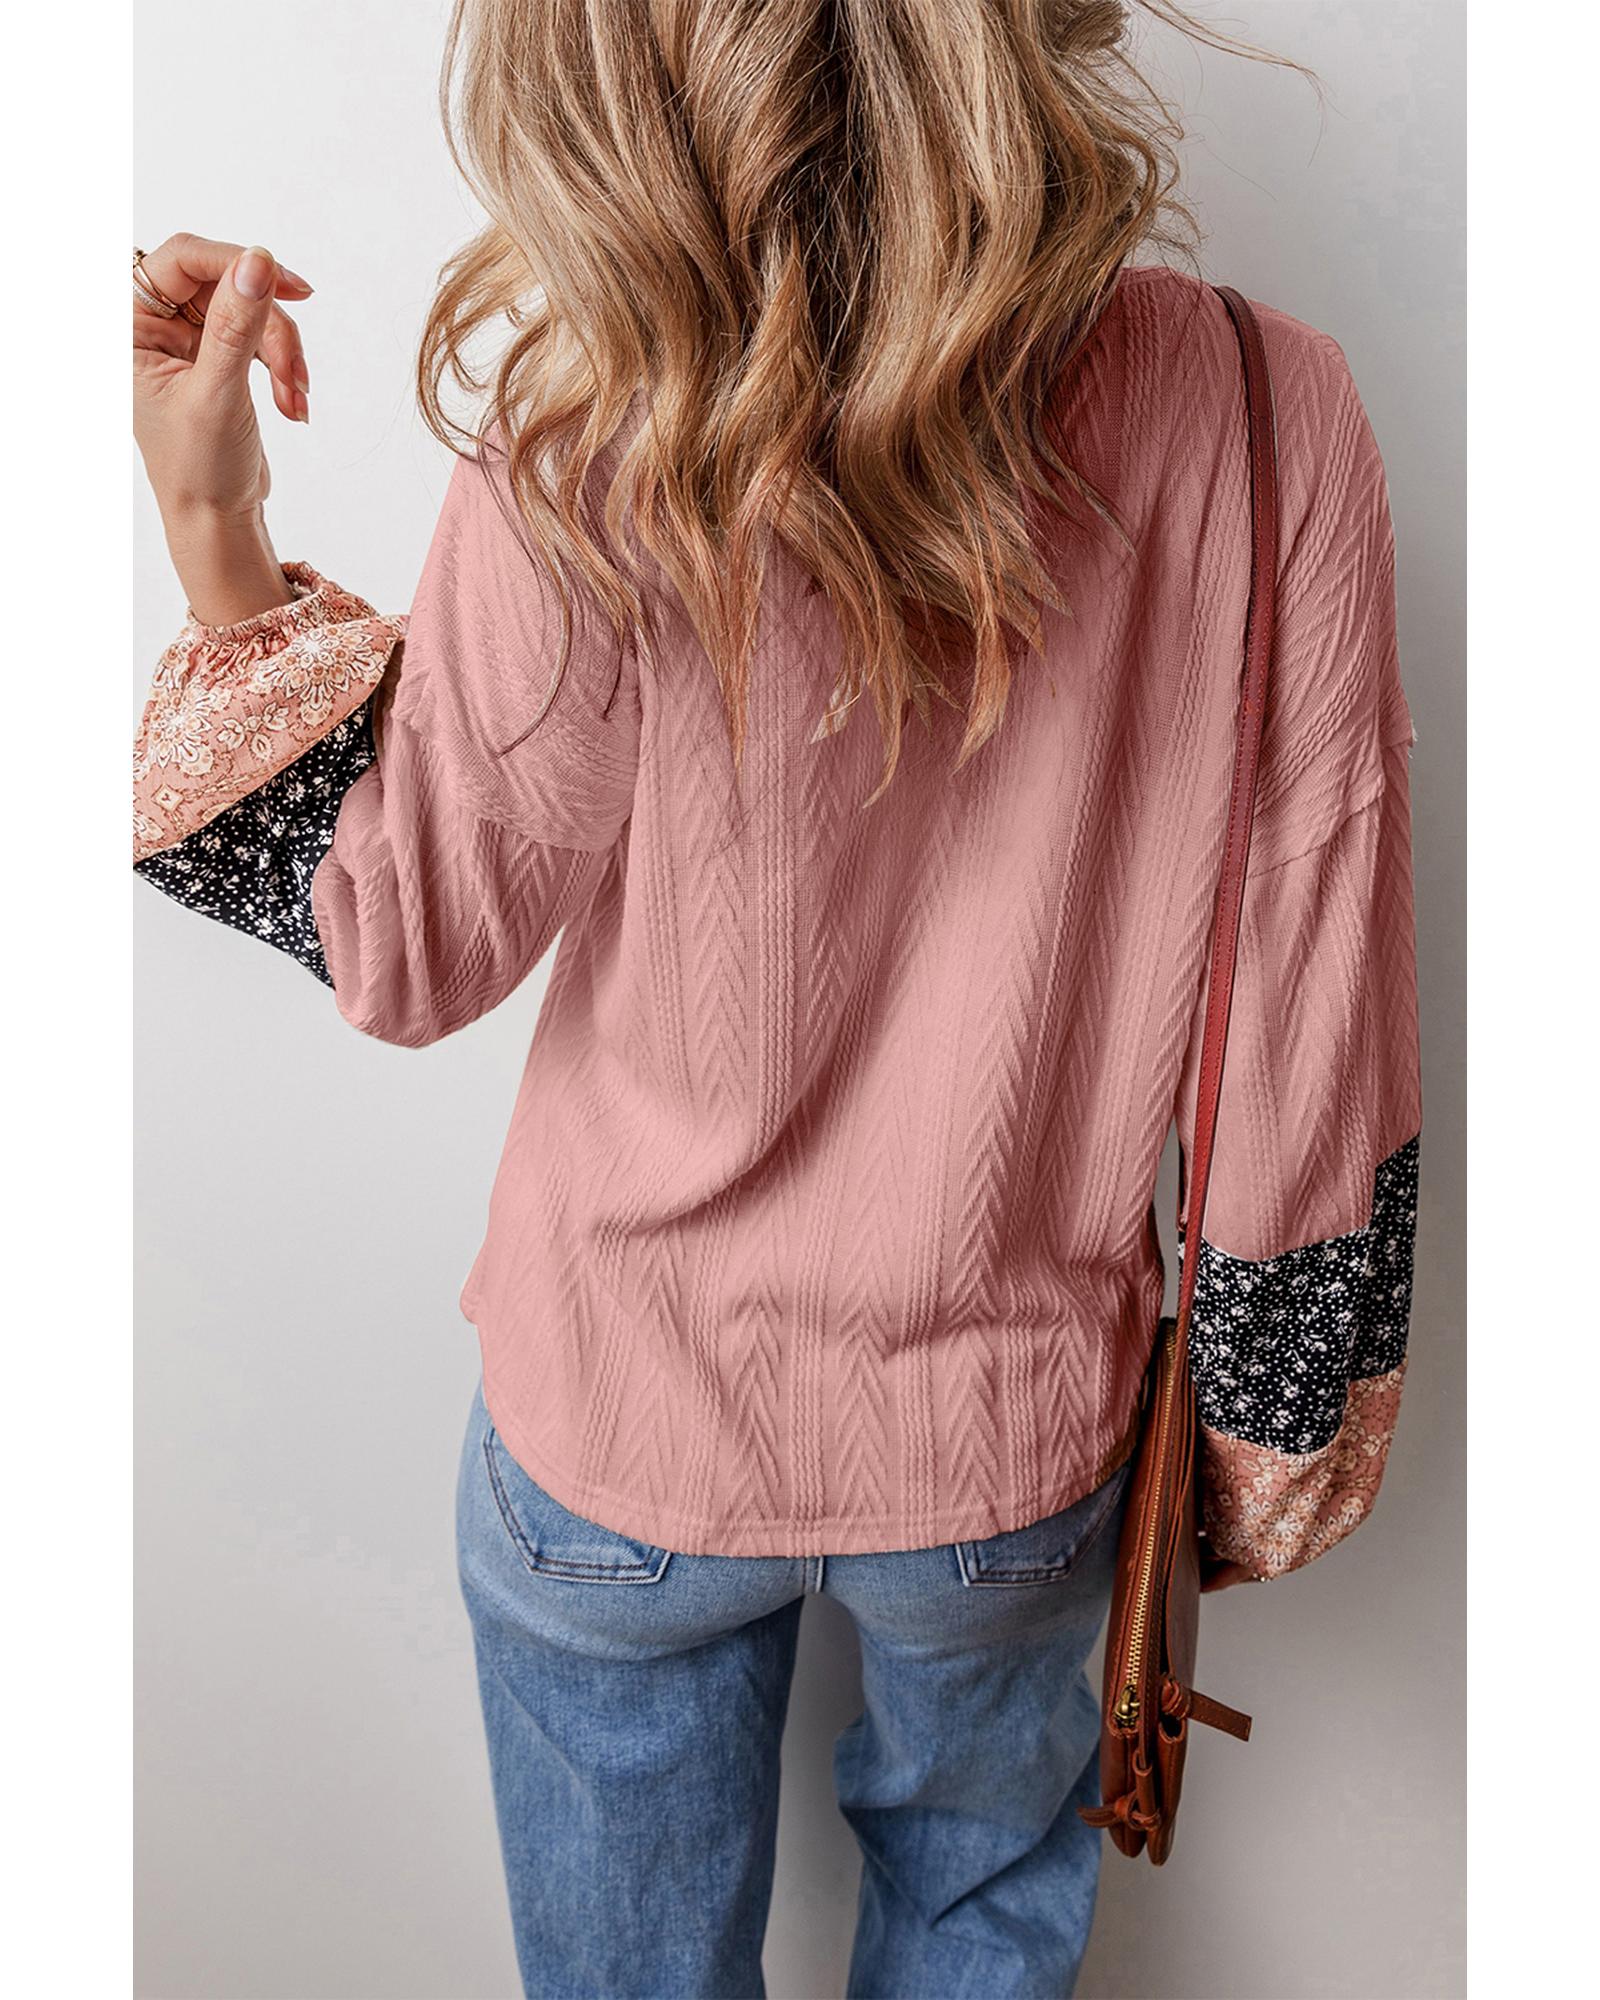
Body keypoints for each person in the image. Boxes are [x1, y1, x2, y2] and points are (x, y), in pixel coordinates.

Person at [131, 4, 1420, 1994]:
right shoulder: (1262, 410)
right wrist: (1265, 1432)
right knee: (980, 1941)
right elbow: (1314, 997)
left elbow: (406, 943)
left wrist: (216, 528)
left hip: (617, 1422)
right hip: (1009, 1448)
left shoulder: (583, 432)